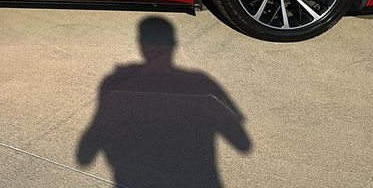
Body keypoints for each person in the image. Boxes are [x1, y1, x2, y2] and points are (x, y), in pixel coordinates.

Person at [77, 16, 251, 187]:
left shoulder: (116, 83)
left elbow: (84, 155)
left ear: (141, 46)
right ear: (173, 45)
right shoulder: (202, 83)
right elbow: (242, 143)